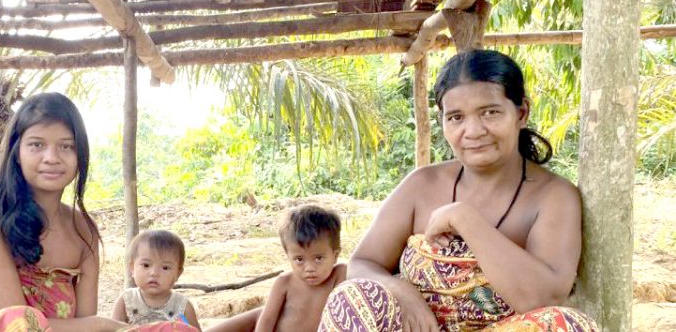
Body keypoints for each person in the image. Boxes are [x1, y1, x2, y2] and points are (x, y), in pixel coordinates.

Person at [319, 49, 599, 332]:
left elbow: (542, 299)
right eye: (456, 117)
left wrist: (464, 218)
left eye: (489, 112)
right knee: (353, 298)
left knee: (568, 325)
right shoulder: (422, 185)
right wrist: (401, 292)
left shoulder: (553, 197)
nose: (473, 130)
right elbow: (363, 263)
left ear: (521, 112)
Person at [0, 92, 193, 332]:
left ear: (80, 155)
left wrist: (100, 326)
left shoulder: (84, 231)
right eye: (36, 145)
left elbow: (83, 326)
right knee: (22, 318)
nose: (52, 157)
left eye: (66, 146)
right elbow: (15, 324)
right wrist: (101, 325)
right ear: (17, 153)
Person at [206, 205, 346, 332]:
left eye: (318, 258)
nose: (309, 268)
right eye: (299, 259)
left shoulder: (339, 275)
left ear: (335, 255)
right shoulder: (285, 282)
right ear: (288, 256)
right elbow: (267, 320)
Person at [112, 230, 201, 329]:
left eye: (165, 268)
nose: (154, 273)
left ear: (178, 273)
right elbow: (112, 329)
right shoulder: (127, 300)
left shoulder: (182, 306)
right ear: (132, 268)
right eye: (146, 265)